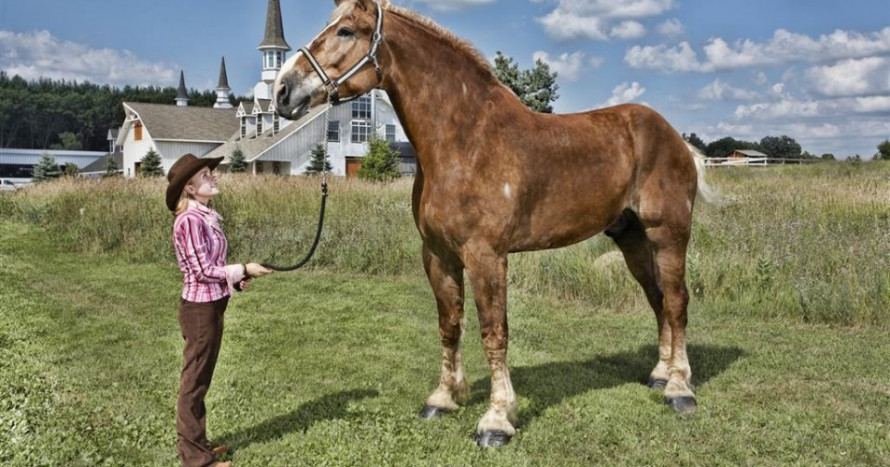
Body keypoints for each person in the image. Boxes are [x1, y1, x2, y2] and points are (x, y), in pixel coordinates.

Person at [166, 153, 273, 467]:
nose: (213, 177)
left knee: (200, 380)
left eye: (210, 172)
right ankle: (195, 459)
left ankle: (199, 445)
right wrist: (243, 268)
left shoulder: (205, 216)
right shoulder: (189, 220)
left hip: (211, 304)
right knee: (194, 383)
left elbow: (213, 267)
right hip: (199, 310)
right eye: (205, 175)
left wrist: (237, 280)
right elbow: (201, 272)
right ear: (189, 188)